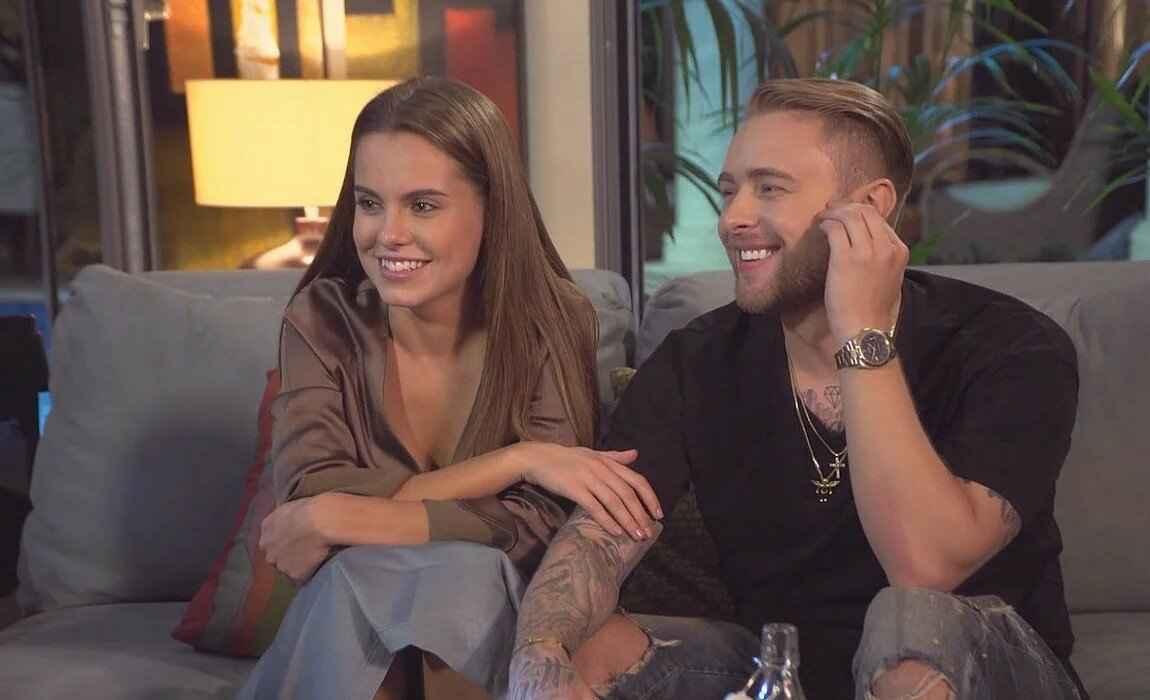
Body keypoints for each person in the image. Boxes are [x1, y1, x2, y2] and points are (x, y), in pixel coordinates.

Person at [508, 78, 1087, 700]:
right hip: (789, 669)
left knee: (907, 620)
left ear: (870, 207)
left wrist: (860, 331)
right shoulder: (697, 359)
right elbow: (598, 538)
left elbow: (926, 565)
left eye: (770, 188)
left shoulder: (1008, 345)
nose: (732, 218)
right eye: (728, 191)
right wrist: (540, 654)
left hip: (990, 673)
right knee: (584, 646)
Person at [237, 77, 660, 700]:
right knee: (382, 574)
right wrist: (518, 460)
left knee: (462, 573)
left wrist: (344, 515)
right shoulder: (322, 318)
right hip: (352, 614)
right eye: (370, 202)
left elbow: (540, 528)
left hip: (481, 610)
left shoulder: (551, 322)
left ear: (492, 209)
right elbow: (312, 498)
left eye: (423, 205)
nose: (388, 233)